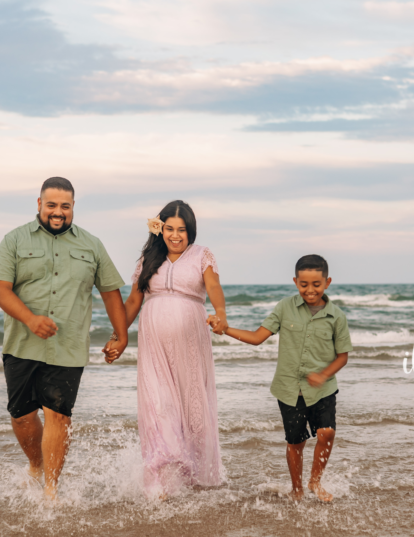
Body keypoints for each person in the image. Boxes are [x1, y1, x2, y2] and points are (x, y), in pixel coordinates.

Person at [0, 177, 129, 500]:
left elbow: (110, 292)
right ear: (39, 204)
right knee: (22, 417)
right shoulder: (15, 240)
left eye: (65, 206)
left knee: (58, 414)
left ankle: (51, 490)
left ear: (73, 207)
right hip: (22, 343)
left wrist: (121, 335)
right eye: (51, 205)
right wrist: (31, 319)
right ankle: (35, 465)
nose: (58, 212)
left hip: (69, 346)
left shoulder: (91, 245)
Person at [104, 200, 228, 498]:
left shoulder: (202, 255)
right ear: (159, 230)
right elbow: (133, 302)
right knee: (159, 405)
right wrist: (119, 337)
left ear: (191, 231)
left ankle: (197, 477)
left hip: (191, 343)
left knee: (193, 405)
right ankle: (162, 479)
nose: (175, 235)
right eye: (169, 229)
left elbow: (213, 288)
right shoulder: (148, 259)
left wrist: (220, 313)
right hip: (154, 345)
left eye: (181, 230)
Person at [212, 254, 351, 502]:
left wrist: (323, 375)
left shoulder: (337, 316)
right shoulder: (284, 307)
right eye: (304, 284)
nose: (310, 290)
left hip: (324, 389)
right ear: (296, 282)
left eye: (316, 284)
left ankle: (315, 482)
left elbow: (342, 356)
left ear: (327, 282)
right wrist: (225, 329)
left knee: (326, 433)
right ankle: (296, 488)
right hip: (289, 389)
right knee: (296, 442)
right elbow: (257, 338)